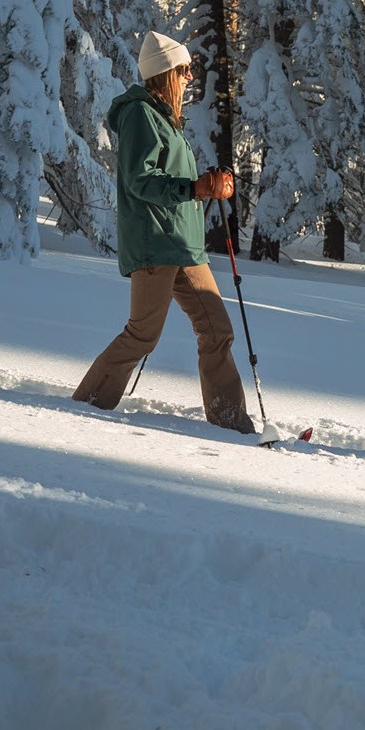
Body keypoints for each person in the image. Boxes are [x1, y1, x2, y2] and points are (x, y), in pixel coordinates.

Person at [73, 31, 255, 434]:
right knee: (142, 334)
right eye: (185, 69)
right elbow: (141, 180)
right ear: (166, 73)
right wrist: (196, 187)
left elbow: (174, 177)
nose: (190, 77)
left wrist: (209, 181)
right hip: (155, 244)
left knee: (217, 331)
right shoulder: (140, 115)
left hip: (184, 247)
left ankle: (231, 423)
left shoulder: (167, 120)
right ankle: (86, 404)